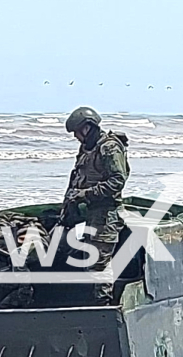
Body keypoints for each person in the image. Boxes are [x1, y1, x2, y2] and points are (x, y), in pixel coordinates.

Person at [62, 106, 131, 305]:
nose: (76, 136)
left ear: (88, 127)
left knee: (98, 264)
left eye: (77, 131)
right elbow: (78, 177)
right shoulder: (87, 148)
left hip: (106, 214)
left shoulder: (108, 147)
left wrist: (86, 194)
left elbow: (117, 180)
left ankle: (104, 305)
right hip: (90, 213)